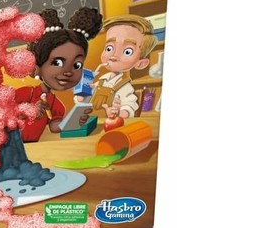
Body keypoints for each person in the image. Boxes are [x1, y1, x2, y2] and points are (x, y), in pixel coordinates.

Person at [15, 8, 103, 142]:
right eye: (57, 62)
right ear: (38, 66)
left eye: (76, 65)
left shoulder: (56, 104)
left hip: (31, 147)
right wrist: (29, 111)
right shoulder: (26, 93)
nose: (68, 72)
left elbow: (55, 127)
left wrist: (73, 121)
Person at [79, 14, 157, 121]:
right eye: (109, 48)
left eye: (127, 51)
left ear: (141, 63)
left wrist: (120, 112)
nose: (114, 56)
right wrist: (83, 96)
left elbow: (130, 105)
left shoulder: (125, 87)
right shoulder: (100, 81)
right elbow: (87, 103)